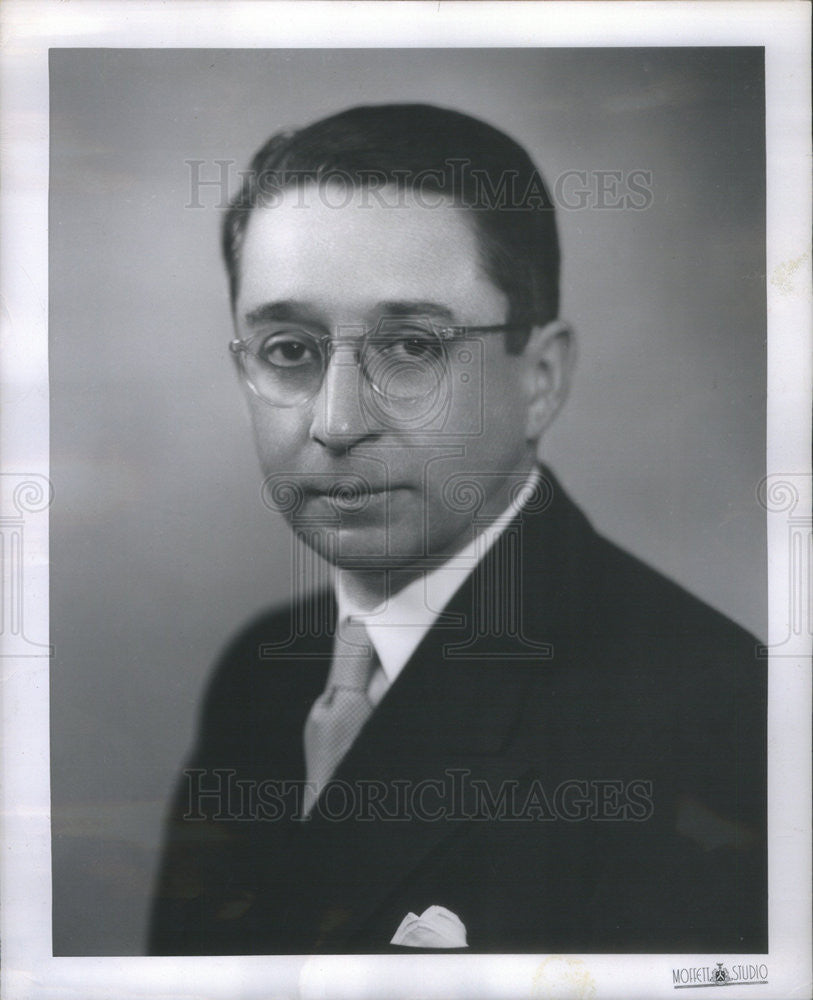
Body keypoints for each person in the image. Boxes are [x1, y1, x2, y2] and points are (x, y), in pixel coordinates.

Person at [149, 104, 766, 955]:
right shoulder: (261, 675)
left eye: (410, 348)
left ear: (539, 380)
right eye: (289, 350)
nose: (334, 422)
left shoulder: (724, 717)